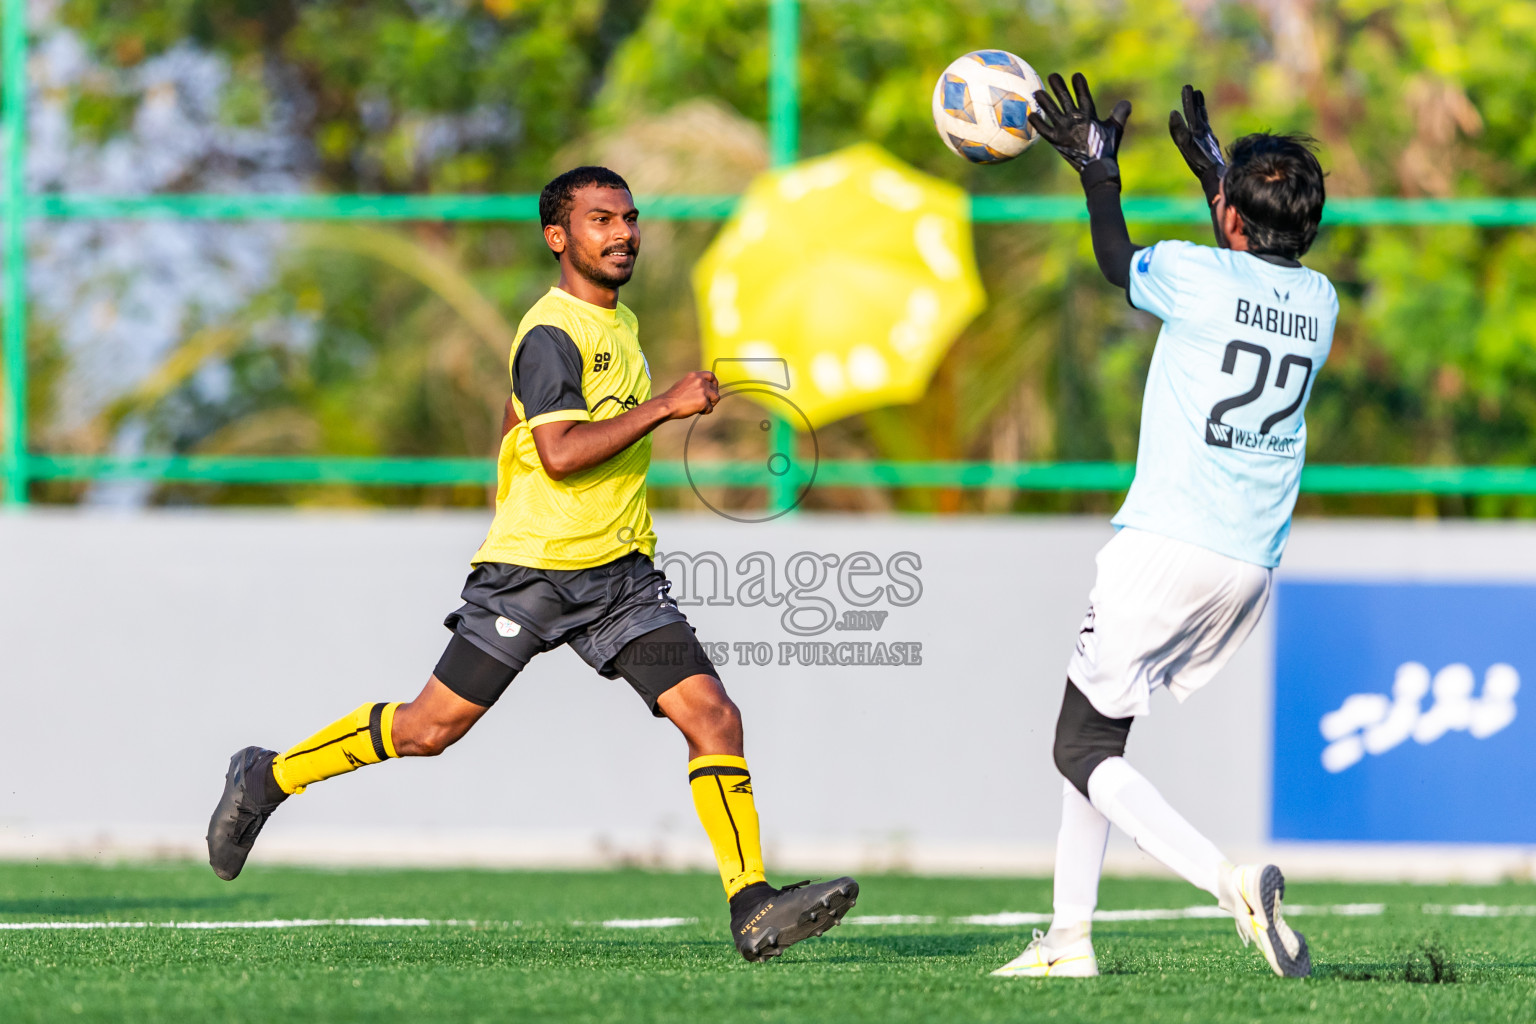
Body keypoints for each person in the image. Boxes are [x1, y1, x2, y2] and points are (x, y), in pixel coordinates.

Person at [205, 165, 858, 963]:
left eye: (629, 218)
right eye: (600, 220)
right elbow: (558, 453)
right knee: (427, 729)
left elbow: (519, 430)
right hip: (533, 577)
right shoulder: (551, 331)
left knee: (714, 718)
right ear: (559, 237)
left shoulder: (621, 326)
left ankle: (752, 904)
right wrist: (666, 407)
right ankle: (268, 778)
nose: (622, 233)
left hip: (620, 583)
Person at [991, 76, 1336, 980]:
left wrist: (1098, 172)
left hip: (1167, 549)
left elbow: (1118, 261)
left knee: (1078, 747)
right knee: (1098, 738)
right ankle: (1069, 941)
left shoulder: (1191, 271)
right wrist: (1224, 176)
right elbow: (1254, 258)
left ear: (1228, 220)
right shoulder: (1323, 303)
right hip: (1248, 564)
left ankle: (1230, 882)